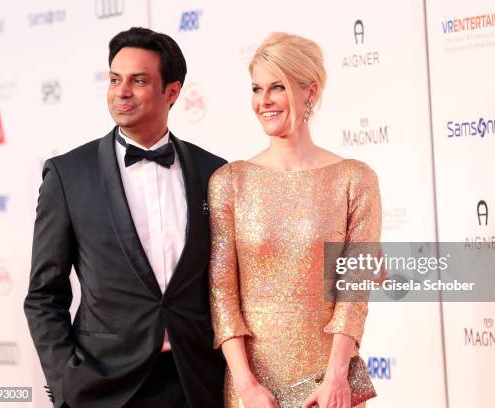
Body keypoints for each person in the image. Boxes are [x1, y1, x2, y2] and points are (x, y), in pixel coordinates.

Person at [24, 27, 226, 408]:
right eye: (115, 80)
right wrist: (66, 380)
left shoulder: (215, 172)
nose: (122, 92)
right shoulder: (69, 175)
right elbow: (43, 295)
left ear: (172, 91)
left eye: (138, 81)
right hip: (105, 387)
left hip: (195, 383)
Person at [208, 32, 382, 408]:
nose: (263, 101)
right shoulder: (230, 182)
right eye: (256, 89)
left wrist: (336, 376)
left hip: (329, 384)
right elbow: (222, 292)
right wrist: (246, 386)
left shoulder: (354, 179)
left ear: (311, 93)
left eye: (277, 87)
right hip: (252, 388)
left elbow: (353, 290)